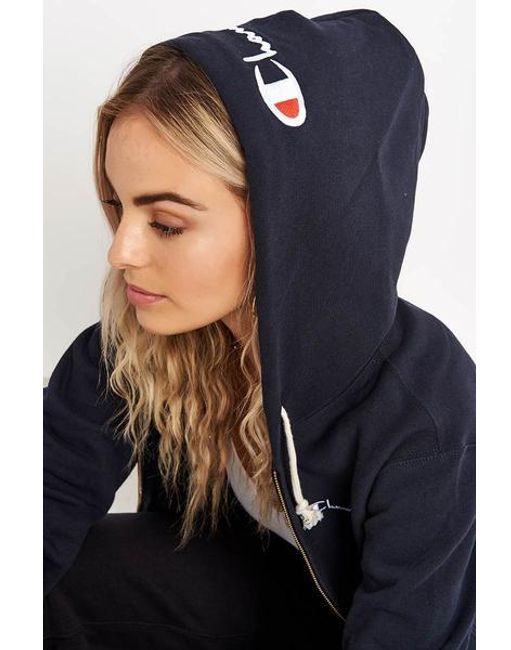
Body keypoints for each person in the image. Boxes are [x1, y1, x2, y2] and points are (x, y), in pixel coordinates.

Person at [43, 7, 476, 649]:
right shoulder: (139, 343)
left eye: (166, 224)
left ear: (290, 223)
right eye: (117, 204)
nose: (121, 251)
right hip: (249, 605)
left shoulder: (427, 409)